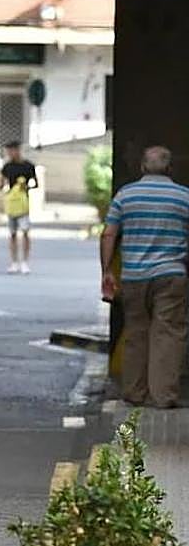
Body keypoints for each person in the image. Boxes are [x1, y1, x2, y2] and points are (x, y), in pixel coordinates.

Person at [100, 145, 189, 408]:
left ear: (142, 167)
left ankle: (134, 392)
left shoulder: (126, 195)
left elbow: (109, 234)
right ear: (170, 168)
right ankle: (163, 396)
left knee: (136, 332)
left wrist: (107, 271)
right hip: (171, 275)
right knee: (168, 334)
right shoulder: (184, 196)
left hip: (134, 276)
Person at [1, 140, 38, 274]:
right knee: (12, 233)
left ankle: (25, 262)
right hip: (12, 203)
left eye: (12, 150)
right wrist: (4, 187)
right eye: (8, 151)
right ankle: (14, 262)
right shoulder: (7, 167)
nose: (10, 153)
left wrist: (26, 187)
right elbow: (1, 183)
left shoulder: (28, 166)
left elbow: (35, 183)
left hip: (23, 204)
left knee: (25, 232)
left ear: (17, 150)